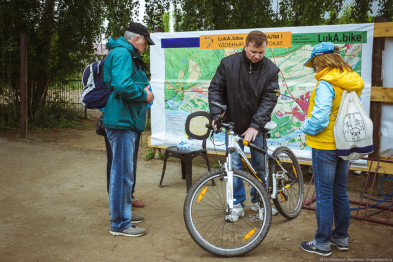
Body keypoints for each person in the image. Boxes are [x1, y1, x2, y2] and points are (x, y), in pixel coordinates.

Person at [208, 30, 280, 223]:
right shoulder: (228, 64)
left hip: (257, 127)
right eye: (253, 51)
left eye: (261, 53)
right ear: (246, 45)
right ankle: (237, 204)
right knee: (234, 166)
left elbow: (270, 98)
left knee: (259, 167)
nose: (257, 56)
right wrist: (216, 115)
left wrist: (256, 125)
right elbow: (215, 89)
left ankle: (259, 201)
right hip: (233, 125)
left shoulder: (271, 70)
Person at [300, 42, 364, 256]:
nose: (314, 69)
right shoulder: (351, 81)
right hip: (345, 144)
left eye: (314, 65)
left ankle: (322, 243)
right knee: (340, 191)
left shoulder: (326, 83)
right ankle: (341, 237)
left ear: (321, 61)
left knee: (325, 194)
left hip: (326, 144)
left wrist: (304, 126)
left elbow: (319, 120)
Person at [103, 22, 154, 237]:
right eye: (145, 44)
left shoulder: (122, 53)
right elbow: (122, 85)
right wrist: (145, 95)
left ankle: (123, 213)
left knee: (123, 173)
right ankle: (120, 224)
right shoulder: (124, 54)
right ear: (137, 40)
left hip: (125, 119)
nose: (145, 48)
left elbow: (114, 82)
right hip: (122, 121)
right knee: (122, 175)